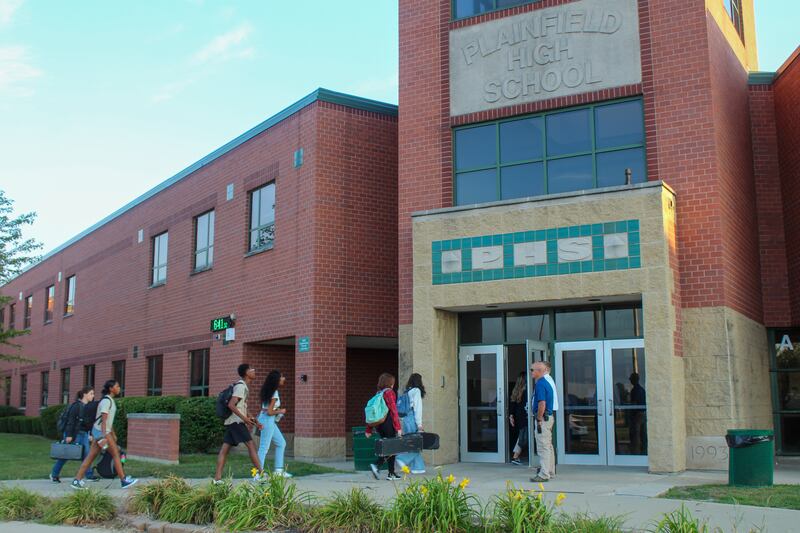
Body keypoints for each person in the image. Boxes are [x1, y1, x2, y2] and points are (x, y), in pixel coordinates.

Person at [71, 380, 137, 489]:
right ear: (111, 388)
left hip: (99, 432)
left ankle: (76, 480)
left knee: (90, 457)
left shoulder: (109, 400)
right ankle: (123, 480)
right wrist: (103, 436)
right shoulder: (106, 401)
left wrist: (113, 433)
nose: (119, 388)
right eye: (117, 386)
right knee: (115, 454)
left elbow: (108, 421)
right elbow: (104, 420)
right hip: (102, 432)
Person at [214, 363, 264, 483]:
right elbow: (231, 404)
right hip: (236, 422)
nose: (254, 370)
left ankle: (217, 479)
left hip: (233, 422)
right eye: (252, 369)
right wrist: (245, 419)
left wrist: (254, 420)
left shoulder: (243, 386)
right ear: (246, 373)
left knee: (224, 450)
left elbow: (242, 407)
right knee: (251, 445)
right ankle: (261, 475)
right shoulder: (241, 386)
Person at [50, 387, 94, 483]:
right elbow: (71, 421)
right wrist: (69, 435)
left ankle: (89, 475)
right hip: (74, 434)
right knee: (66, 455)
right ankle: (54, 474)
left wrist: (90, 434)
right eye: (91, 393)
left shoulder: (88, 407)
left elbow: (88, 423)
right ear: (85, 394)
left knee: (87, 455)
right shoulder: (76, 406)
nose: (93, 396)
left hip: (84, 434)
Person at [367, 373, 402, 481]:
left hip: (379, 425)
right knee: (392, 447)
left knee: (388, 447)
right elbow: (393, 410)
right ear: (390, 383)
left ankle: (391, 473)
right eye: (392, 382)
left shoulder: (379, 393)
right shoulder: (389, 393)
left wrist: (368, 429)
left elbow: (372, 413)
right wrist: (398, 427)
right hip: (388, 424)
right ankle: (377, 465)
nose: (393, 384)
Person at [257, 370, 291, 478]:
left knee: (281, 443)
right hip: (268, 419)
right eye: (282, 377)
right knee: (264, 447)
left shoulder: (269, 391)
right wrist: (280, 411)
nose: (283, 378)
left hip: (266, 419)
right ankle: (258, 473)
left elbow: (267, 409)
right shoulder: (274, 393)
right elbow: (270, 411)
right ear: (276, 380)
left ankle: (278, 471)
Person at [396, 373, 426, 474]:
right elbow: (418, 408)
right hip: (412, 419)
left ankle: (418, 467)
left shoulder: (407, 391)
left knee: (413, 442)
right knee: (415, 443)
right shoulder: (416, 391)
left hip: (405, 419)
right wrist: (419, 424)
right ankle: (402, 459)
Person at [530, 362, 555, 483]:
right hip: (548, 418)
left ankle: (544, 474)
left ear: (539, 371)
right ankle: (550, 470)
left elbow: (542, 404)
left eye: (532, 370)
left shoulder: (540, 384)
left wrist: (539, 419)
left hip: (543, 419)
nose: (531, 372)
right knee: (548, 446)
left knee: (543, 447)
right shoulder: (546, 383)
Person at [508, 372, 528, 465]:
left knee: (523, 435)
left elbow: (512, 405)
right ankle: (515, 456)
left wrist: (511, 416)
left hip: (519, 416)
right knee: (523, 437)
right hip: (525, 416)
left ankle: (516, 456)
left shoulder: (516, 390)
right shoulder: (527, 390)